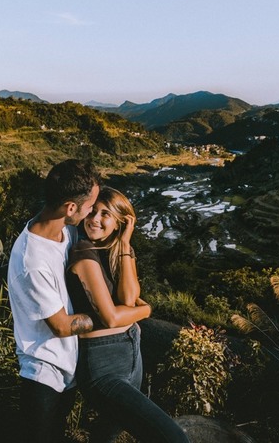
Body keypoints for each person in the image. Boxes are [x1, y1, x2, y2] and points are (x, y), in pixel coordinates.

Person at [66, 186, 189, 443]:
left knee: (107, 434)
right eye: (93, 212)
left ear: (119, 223)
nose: (95, 219)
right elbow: (113, 317)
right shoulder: (83, 252)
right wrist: (146, 310)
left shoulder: (113, 250)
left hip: (132, 351)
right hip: (102, 363)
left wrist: (125, 243)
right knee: (172, 437)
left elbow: (128, 298)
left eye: (105, 214)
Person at [7, 158, 101, 443]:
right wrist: (109, 316)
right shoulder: (31, 260)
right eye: (89, 207)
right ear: (70, 207)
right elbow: (60, 325)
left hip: (65, 367)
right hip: (43, 374)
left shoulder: (66, 233)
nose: (91, 213)